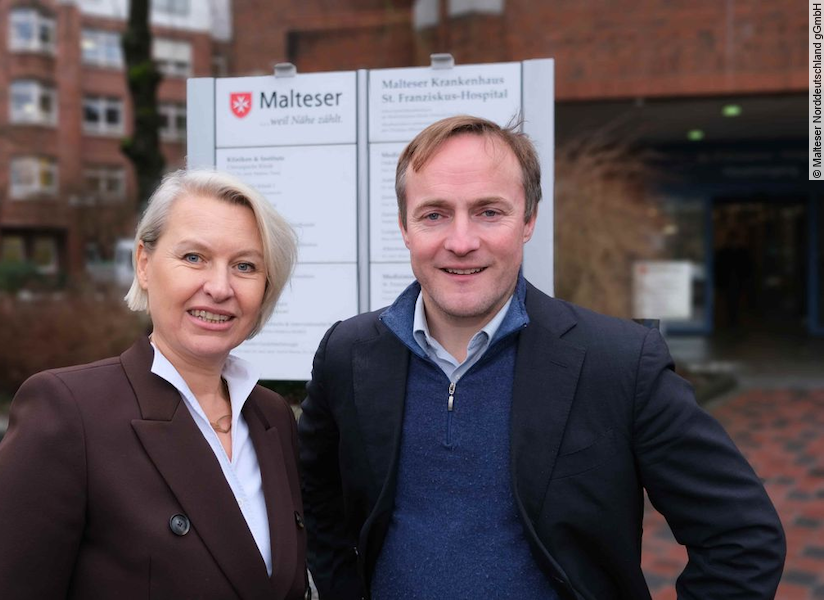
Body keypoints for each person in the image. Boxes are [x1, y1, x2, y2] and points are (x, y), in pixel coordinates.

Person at [298, 116, 785, 599]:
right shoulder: (348, 354)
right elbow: (316, 504)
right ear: (405, 227)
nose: (462, 242)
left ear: (528, 221)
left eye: (490, 212)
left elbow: (742, 539)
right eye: (434, 214)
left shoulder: (619, 363)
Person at [0, 169, 308, 599]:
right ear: (144, 264)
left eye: (245, 266)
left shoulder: (272, 417)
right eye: (194, 257)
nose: (220, 288)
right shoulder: (68, 414)